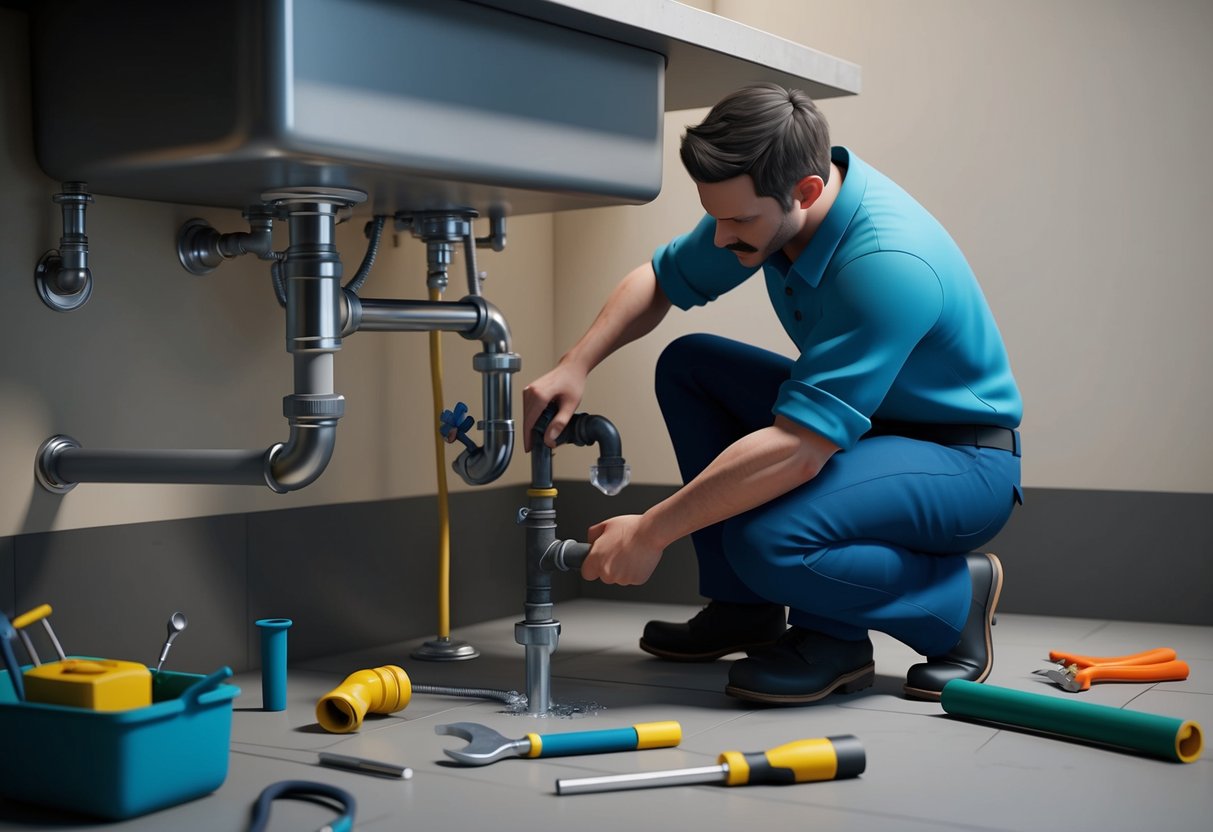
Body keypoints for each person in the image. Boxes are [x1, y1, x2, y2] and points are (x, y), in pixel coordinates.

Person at [522, 82, 1022, 705]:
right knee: (691, 365)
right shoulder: (769, 208)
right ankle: (745, 610)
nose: (722, 235)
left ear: (806, 192)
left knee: (767, 539)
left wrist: (650, 532)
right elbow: (659, 278)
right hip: (868, 432)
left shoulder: (887, 263)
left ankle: (944, 605)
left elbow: (798, 449)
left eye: (736, 220)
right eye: (715, 214)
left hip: (961, 463)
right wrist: (576, 364)